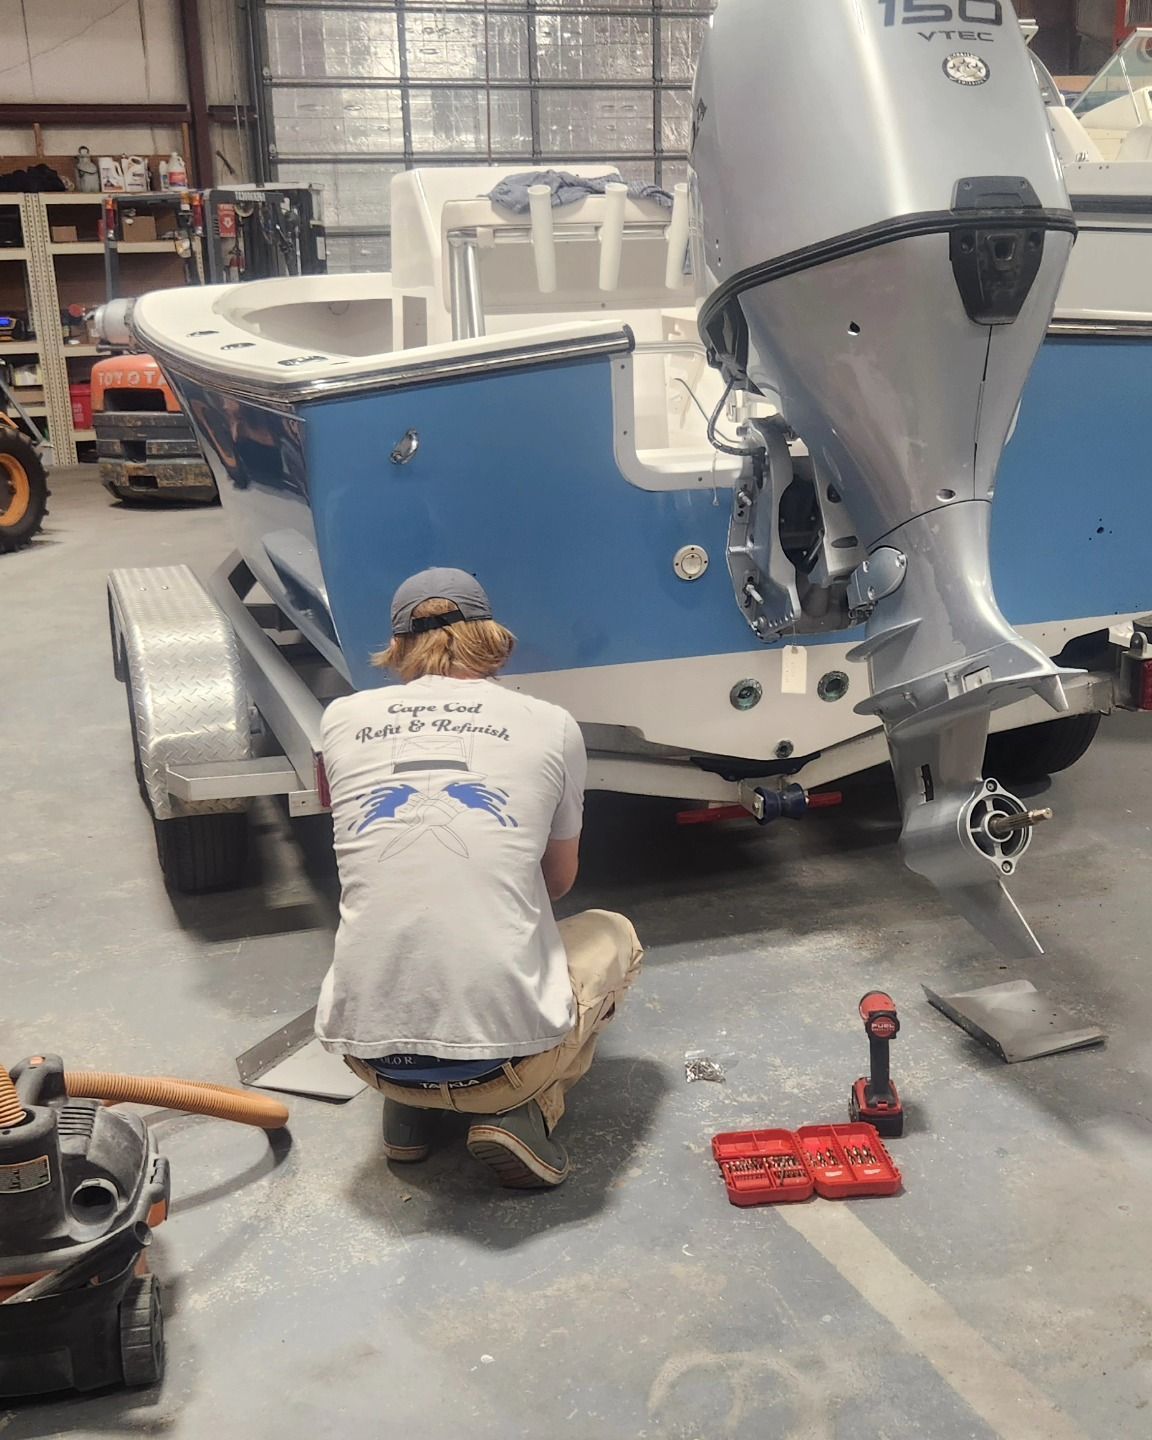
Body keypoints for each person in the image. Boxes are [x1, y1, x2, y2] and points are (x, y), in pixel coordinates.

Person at [316, 568, 642, 1189]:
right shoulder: (550, 725)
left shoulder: (339, 719)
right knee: (612, 933)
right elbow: (557, 881)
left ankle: (408, 1115)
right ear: (489, 635)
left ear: (399, 644)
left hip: (368, 1055)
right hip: (502, 1068)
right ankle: (522, 1112)